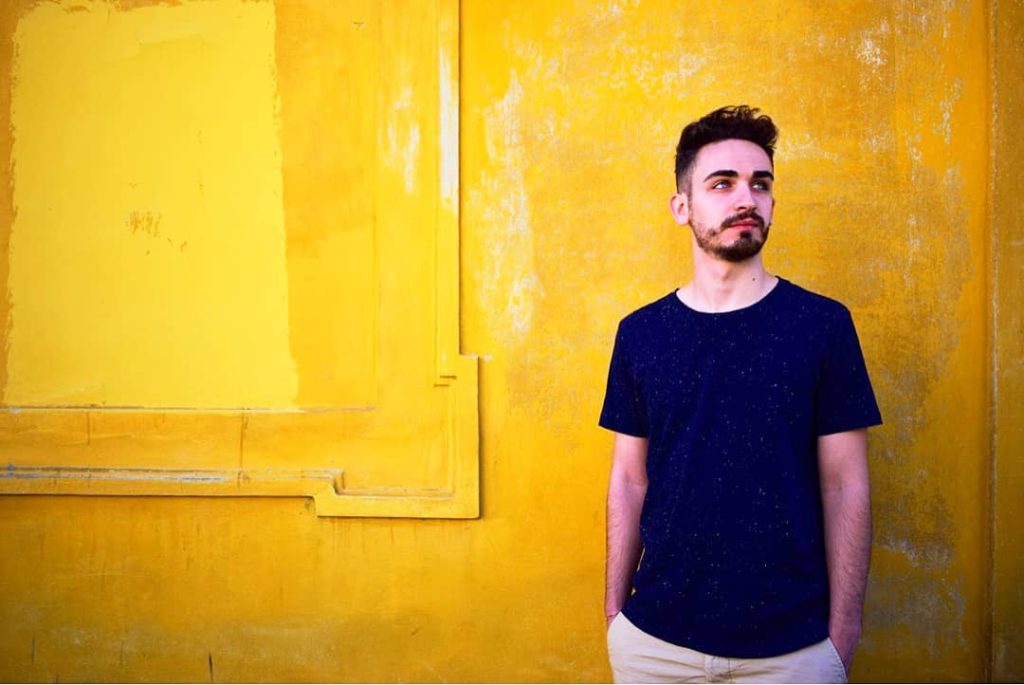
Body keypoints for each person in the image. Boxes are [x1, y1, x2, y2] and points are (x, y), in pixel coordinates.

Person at [600, 105, 882, 684]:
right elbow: (628, 479)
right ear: (682, 207)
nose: (746, 199)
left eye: (761, 184)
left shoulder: (822, 326)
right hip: (654, 645)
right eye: (722, 184)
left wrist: (843, 633)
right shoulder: (641, 334)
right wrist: (613, 615)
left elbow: (845, 483)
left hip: (793, 650)